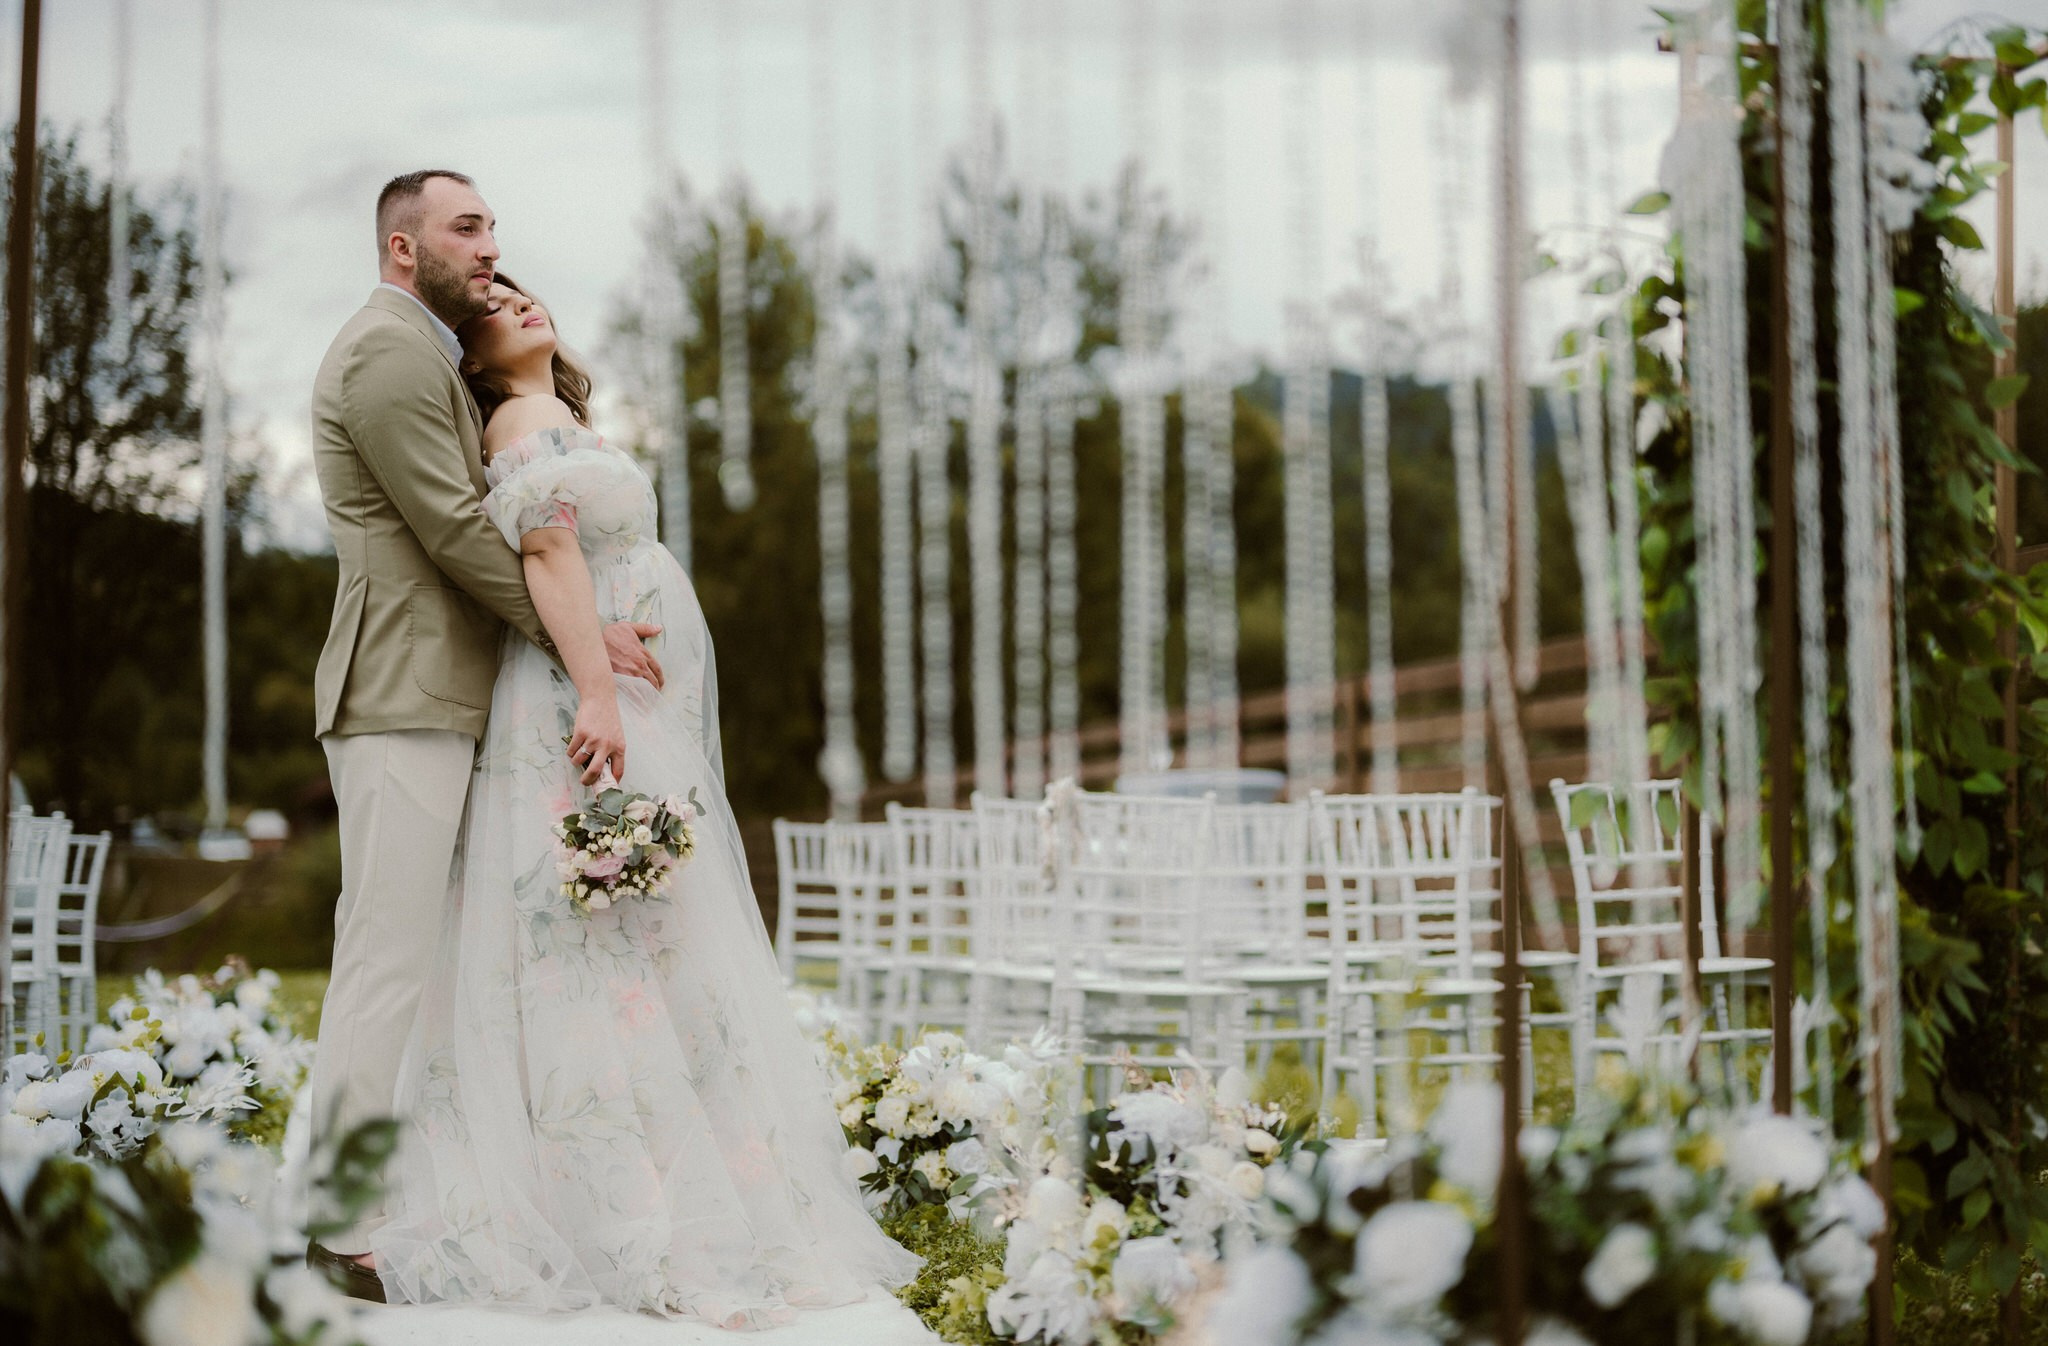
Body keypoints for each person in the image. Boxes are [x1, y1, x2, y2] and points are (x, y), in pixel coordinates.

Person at [362, 265, 920, 1326]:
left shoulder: (557, 412)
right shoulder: (519, 418)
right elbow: (547, 552)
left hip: (619, 693)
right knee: (597, 940)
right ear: (468, 363)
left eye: (520, 292)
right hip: (582, 702)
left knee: (642, 936)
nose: (517, 305)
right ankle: (625, 1216)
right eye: (488, 312)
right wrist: (595, 696)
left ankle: (685, 1195)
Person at [305, 169, 663, 1302]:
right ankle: (337, 1219)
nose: (489, 244)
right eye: (466, 226)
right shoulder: (386, 351)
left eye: (495, 225)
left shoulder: (425, 352)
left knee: (417, 958)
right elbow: (459, 532)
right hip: (401, 686)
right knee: (386, 954)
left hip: (447, 692)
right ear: (403, 248)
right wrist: (587, 648)